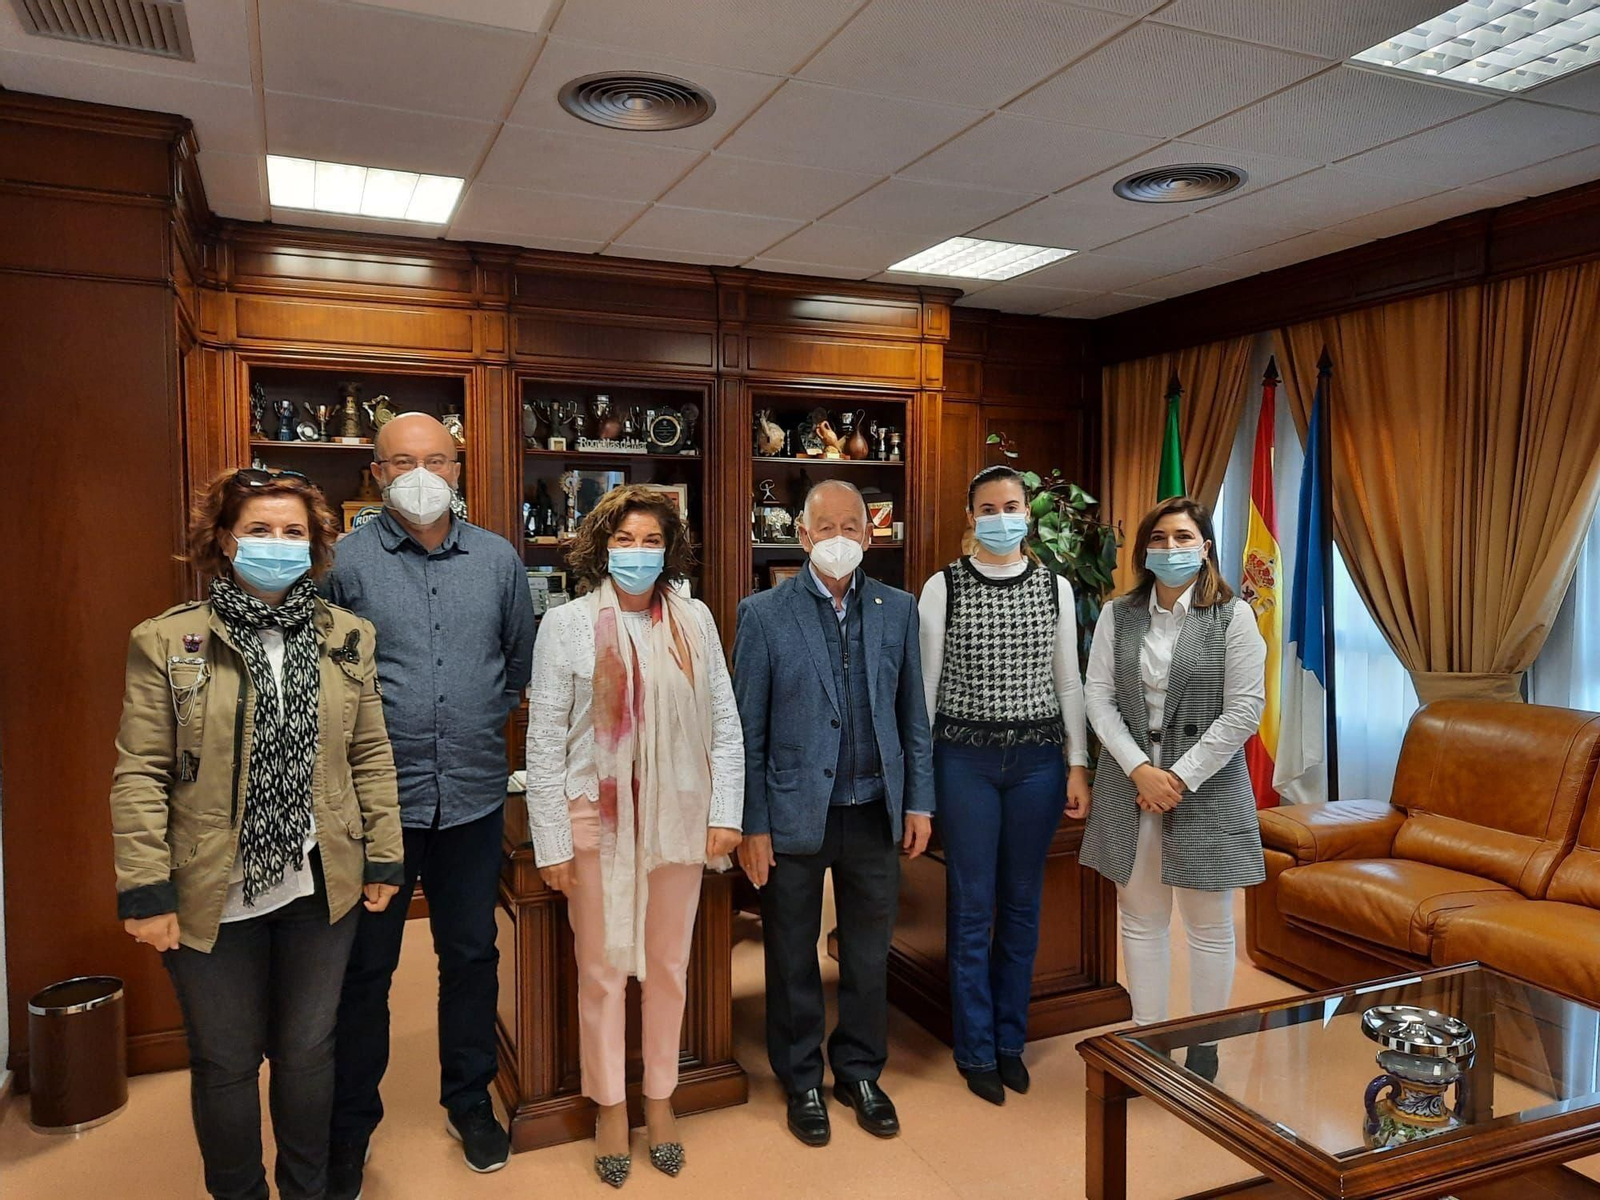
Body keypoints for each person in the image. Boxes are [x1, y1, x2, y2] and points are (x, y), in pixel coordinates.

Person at [110, 468, 403, 1200]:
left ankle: (307, 1189)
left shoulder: (348, 637)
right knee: (226, 1061)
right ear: (225, 540)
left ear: (316, 543)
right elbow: (140, 771)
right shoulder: (168, 640)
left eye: (293, 531)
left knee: (308, 1052)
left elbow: (369, 752)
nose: (278, 543)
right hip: (210, 887)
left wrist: (384, 856)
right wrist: (145, 888)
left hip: (320, 882)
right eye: (259, 530)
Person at [325, 413, 536, 1193]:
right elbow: (324, 675)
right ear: (378, 474)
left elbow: (518, 663)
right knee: (365, 971)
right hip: (375, 805)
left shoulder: (498, 558)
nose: (422, 475)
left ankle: (469, 1099)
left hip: (473, 797)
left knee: (471, 956)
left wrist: (471, 718)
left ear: (458, 468)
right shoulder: (342, 562)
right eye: (403, 462)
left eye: (437, 460)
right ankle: (350, 1127)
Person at [525, 485, 743, 1187]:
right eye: (625, 541)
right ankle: (611, 1107)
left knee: (669, 967)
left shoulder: (694, 619)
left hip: (678, 818)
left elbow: (724, 724)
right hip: (597, 820)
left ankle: (660, 1098)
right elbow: (544, 743)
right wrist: (553, 843)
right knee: (601, 972)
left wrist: (726, 812)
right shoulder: (566, 626)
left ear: (670, 550)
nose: (638, 553)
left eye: (652, 541)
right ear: (602, 548)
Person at [732, 479, 935, 1149]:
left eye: (853, 526)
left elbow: (913, 716)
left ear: (870, 534)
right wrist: (752, 824)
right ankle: (801, 1079)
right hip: (793, 811)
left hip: (874, 809)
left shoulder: (898, 608)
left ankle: (859, 1071)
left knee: (868, 954)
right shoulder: (763, 614)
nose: (840, 538)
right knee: (791, 953)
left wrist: (919, 801)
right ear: (803, 534)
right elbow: (746, 732)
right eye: (827, 527)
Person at [916, 465, 1092, 1105]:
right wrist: (920, 784)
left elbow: (1068, 680)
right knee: (971, 908)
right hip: (963, 762)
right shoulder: (944, 586)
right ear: (971, 517)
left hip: (1039, 765)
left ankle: (1011, 1041)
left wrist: (1078, 763)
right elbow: (926, 690)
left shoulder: (1055, 587)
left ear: (1027, 512)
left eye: (1011, 506)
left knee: (1021, 906)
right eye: (987, 508)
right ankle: (976, 1048)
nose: (1000, 517)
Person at [1080, 495, 1267, 1082]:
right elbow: (1097, 698)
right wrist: (1140, 768)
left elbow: (1245, 710)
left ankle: (1204, 1042)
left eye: (1183, 538)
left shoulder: (1233, 616)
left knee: (1209, 924)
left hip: (1206, 785)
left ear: (1205, 547)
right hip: (1129, 782)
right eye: (1158, 539)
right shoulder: (1118, 614)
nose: (1170, 548)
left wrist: (1178, 778)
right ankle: (1150, 1039)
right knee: (1141, 917)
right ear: (1144, 551)